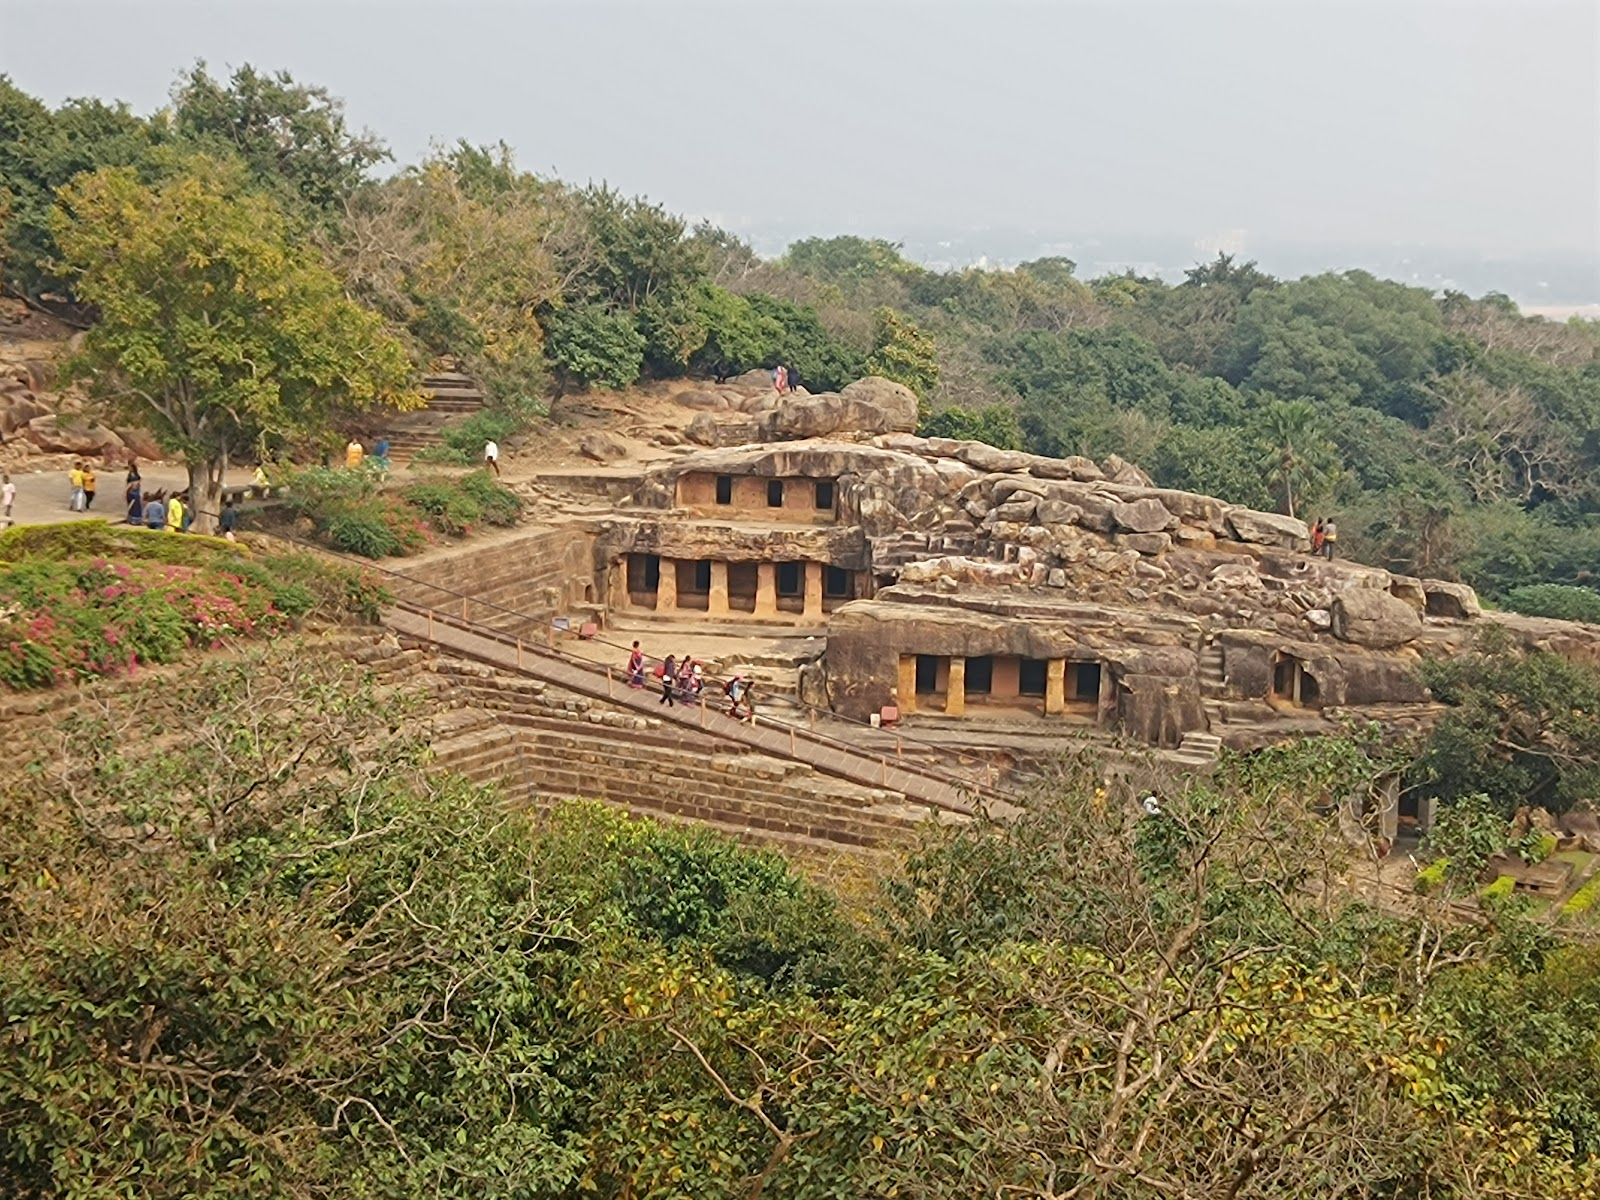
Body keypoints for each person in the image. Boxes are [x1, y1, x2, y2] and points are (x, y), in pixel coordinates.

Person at [125, 460, 142, 524]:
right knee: (131, 505)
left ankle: (135, 519)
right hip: (131, 491)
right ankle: (132, 519)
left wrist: (135, 485)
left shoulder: (135, 475)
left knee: (135, 505)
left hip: (135, 492)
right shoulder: (130, 475)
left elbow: (137, 481)